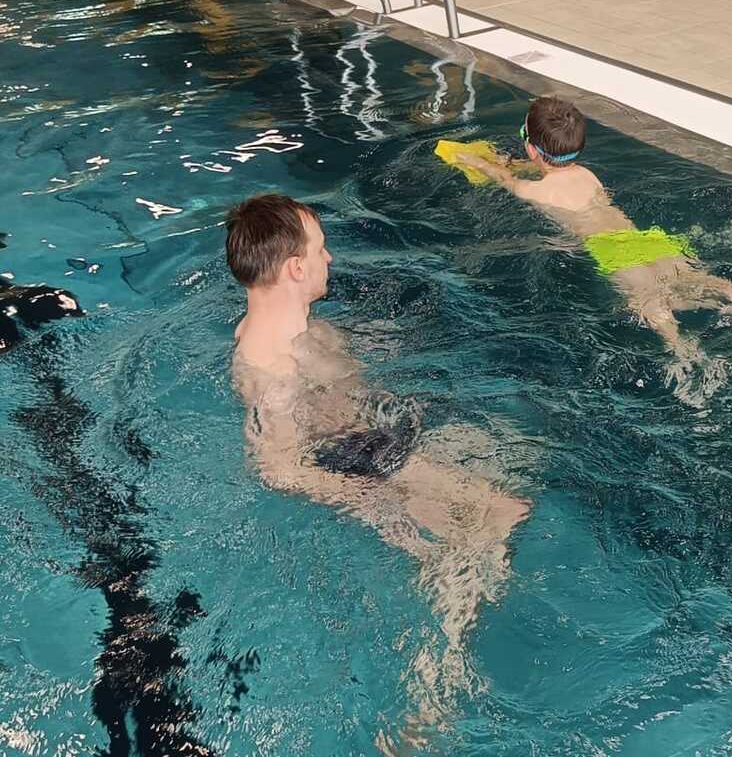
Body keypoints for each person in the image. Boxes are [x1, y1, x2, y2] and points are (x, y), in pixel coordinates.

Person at [226, 193, 529, 753]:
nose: (329, 258)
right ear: (295, 268)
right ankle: (431, 688)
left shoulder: (278, 331)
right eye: (320, 249)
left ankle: (442, 639)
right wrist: (371, 500)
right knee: (497, 517)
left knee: (494, 504)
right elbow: (277, 468)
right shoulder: (274, 367)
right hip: (356, 460)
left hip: (366, 444)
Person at [454, 97, 732, 404]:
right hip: (644, 238)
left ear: (532, 149)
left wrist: (478, 162)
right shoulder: (586, 174)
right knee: (687, 279)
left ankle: (682, 350)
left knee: (648, 302)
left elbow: (503, 178)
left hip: (609, 250)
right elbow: (549, 169)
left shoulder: (531, 190)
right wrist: (520, 162)